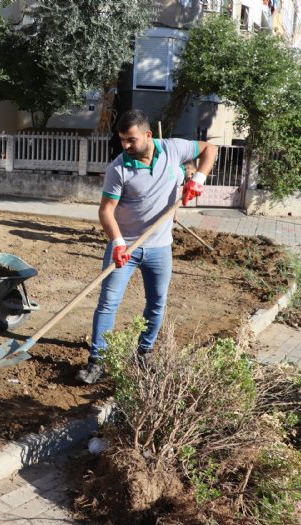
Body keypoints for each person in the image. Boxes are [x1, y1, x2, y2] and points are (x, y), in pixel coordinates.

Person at [77, 110, 217, 384]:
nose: (126, 146)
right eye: (122, 141)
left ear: (148, 135)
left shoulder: (173, 149)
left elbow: (210, 149)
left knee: (157, 303)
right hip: (125, 247)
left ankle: (145, 353)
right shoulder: (118, 168)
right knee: (108, 303)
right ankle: (97, 361)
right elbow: (106, 211)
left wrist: (198, 179)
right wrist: (117, 243)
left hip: (160, 248)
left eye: (131, 140)